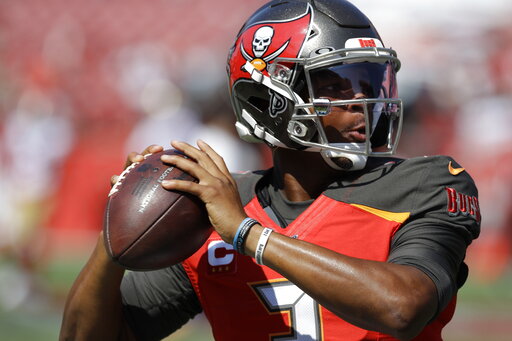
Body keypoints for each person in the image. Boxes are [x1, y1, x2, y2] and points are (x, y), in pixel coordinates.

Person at [60, 1, 481, 340]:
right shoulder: (209, 209)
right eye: (335, 84)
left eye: (368, 83)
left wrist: (247, 235)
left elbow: (402, 308)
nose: (359, 101)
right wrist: (116, 238)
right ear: (268, 100)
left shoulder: (425, 183)